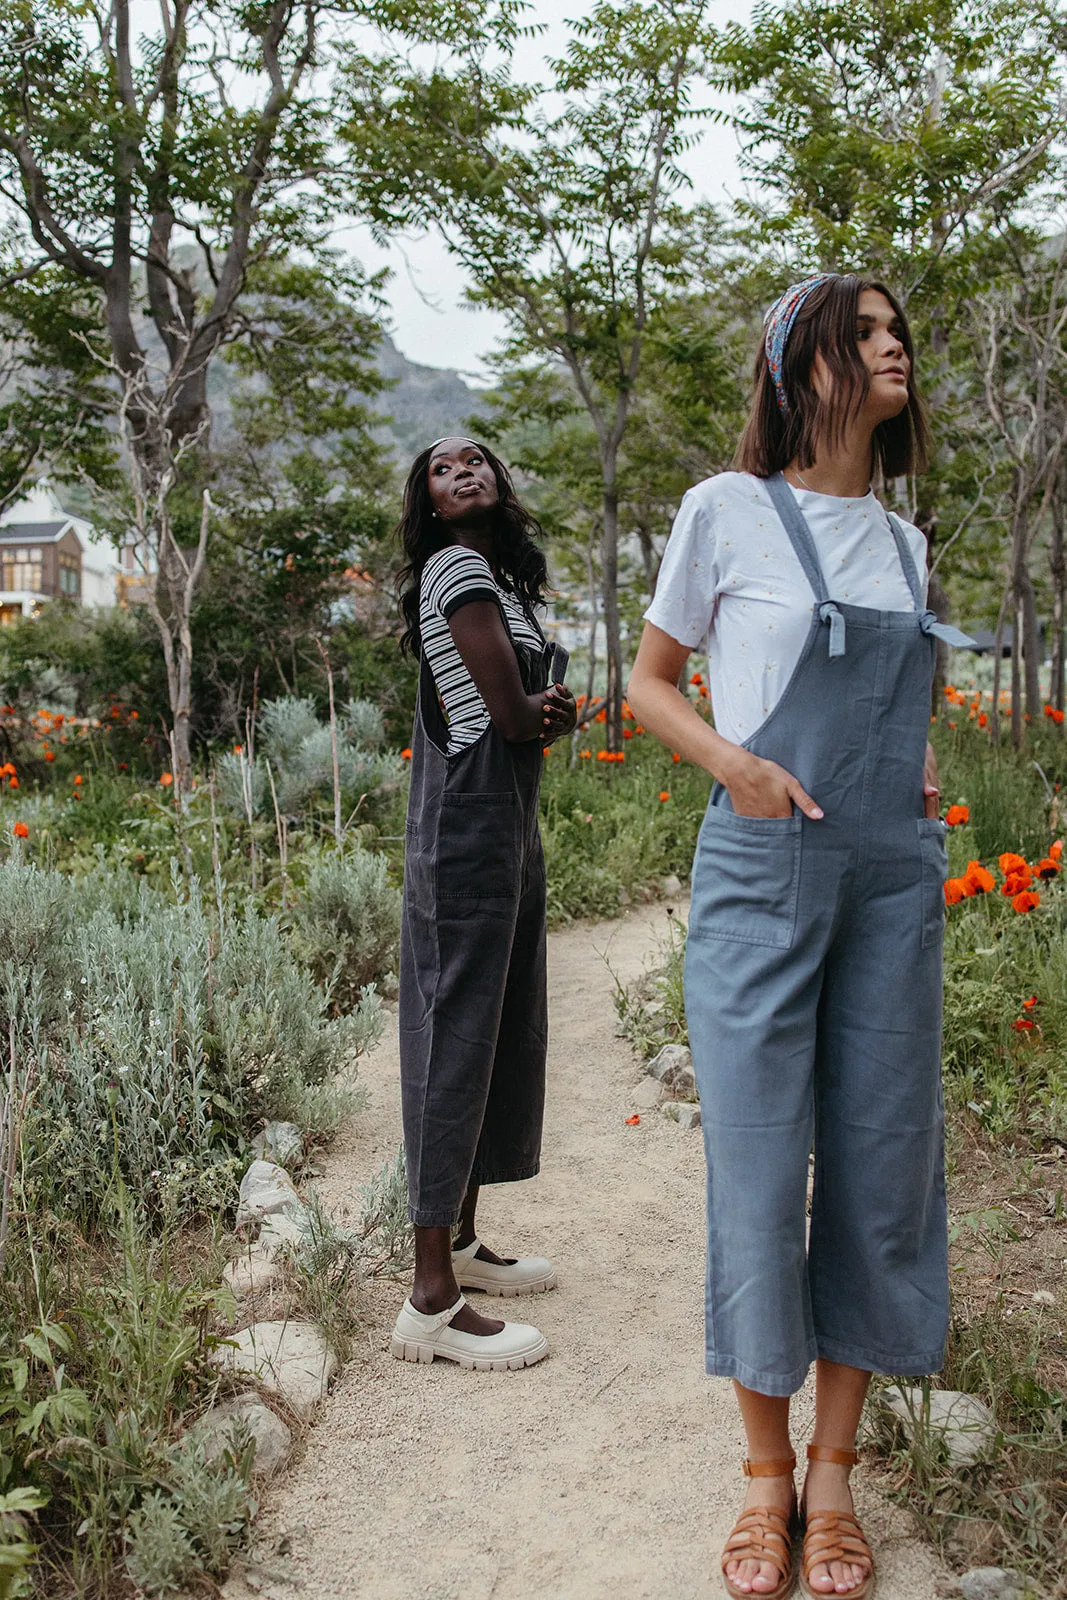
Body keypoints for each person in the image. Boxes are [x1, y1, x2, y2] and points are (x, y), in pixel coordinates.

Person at [628, 275, 972, 1600]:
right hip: (760, 869)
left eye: (898, 333)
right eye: (866, 334)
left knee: (882, 1173)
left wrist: (922, 785)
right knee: (763, 1177)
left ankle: (832, 1481)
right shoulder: (725, 512)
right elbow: (647, 686)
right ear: (802, 365)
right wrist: (739, 767)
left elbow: (903, 700)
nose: (892, 350)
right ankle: (759, 1481)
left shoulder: (900, 542)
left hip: (889, 878)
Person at [390, 436, 576, 1373]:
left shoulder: (497, 581)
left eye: (478, 460)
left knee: (498, 1027)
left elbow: (536, 705)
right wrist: (544, 707)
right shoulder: (456, 567)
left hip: (503, 825)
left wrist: (545, 706)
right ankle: (429, 1298)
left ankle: (461, 1242)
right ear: (425, 498)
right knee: (456, 1033)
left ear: (500, 481)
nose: (462, 471)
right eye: (440, 467)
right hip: (468, 826)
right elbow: (515, 717)